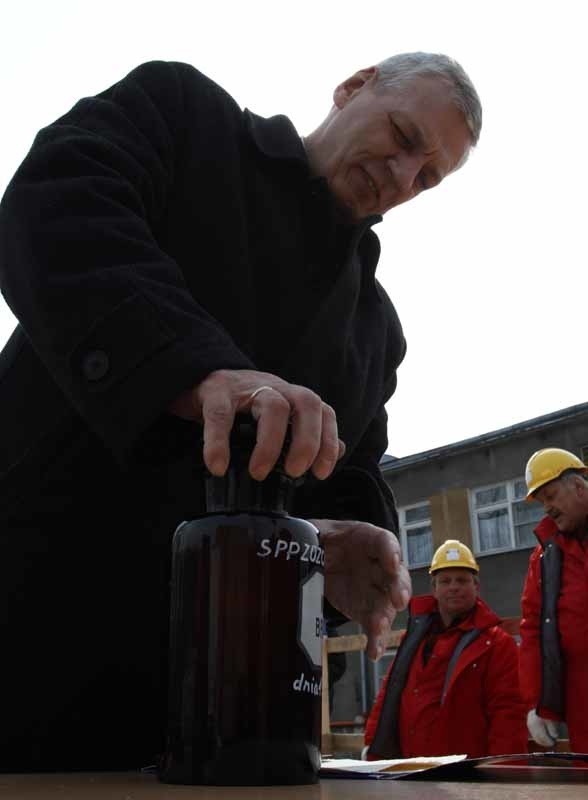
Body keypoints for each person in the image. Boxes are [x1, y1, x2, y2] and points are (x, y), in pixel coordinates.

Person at [0, 53, 481, 770]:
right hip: (27, 630)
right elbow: (55, 202)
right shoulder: (185, 117)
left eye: (428, 177)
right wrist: (198, 370)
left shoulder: (374, 329)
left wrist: (359, 545)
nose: (403, 177)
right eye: (404, 135)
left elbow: (351, 471)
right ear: (355, 84)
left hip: (195, 723)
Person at [364, 540, 527, 759]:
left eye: (462, 580)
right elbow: (389, 692)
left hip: (464, 776)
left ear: (476, 587)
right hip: (411, 770)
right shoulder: (414, 638)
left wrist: (504, 775)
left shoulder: (497, 644)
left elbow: (508, 713)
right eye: (445, 581)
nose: (454, 587)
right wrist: (372, 744)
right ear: (434, 588)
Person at [520, 447, 588, 752]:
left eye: (550, 495)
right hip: (581, 699)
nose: (547, 507)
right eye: (542, 501)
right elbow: (532, 629)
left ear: (578, 487)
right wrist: (537, 702)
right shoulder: (544, 558)